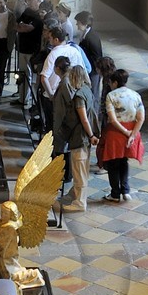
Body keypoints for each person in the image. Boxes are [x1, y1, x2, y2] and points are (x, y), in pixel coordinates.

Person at [99, 69, 144, 203]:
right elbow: (141, 118)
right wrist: (132, 134)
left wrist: (125, 132)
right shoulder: (135, 95)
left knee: (113, 162)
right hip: (132, 130)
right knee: (124, 161)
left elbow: (112, 119)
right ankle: (125, 190)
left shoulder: (111, 96)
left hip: (115, 132)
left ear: (115, 82)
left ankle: (115, 193)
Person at [59, 65, 97, 211]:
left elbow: (84, 119)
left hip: (79, 137)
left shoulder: (79, 96)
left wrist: (91, 135)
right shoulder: (88, 90)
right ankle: (75, 194)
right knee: (83, 168)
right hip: (86, 137)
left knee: (79, 169)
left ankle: (80, 203)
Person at [13, 0, 45, 110]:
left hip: (33, 50)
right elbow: (16, 26)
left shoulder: (39, 14)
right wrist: (21, 27)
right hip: (22, 47)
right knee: (22, 74)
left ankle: (30, 101)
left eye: (30, 0)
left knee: (31, 76)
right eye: (28, 0)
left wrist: (23, 27)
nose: (28, 3)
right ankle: (21, 98)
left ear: (38, 1)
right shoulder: (27, 11)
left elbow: (28, 28)